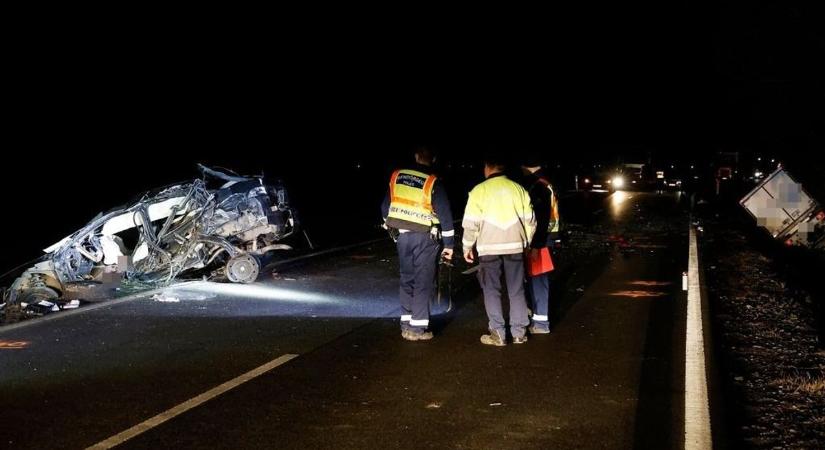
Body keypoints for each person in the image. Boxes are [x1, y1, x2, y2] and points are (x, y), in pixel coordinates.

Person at [381, 146, 455, 341]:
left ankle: (406, 323)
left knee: (407, 278)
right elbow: (446, 215)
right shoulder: (432, 182)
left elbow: (385, 207)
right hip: (425, 237)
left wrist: (393, 231)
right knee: (423, 281)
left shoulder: (397, 176)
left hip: (403, 236)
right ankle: (417, 328)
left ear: (415, 156)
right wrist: (449, 245)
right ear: (434, 159)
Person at [462, 154, 536, 346]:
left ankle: (498, 333)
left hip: (489, 247)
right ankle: (519, 333)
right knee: (516, 289)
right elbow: (530, 221)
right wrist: (526, 243)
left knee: (491, 290)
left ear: (487, 167)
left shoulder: (478, 191)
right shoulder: (518, 189)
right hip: (514, 246)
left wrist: (467, 246)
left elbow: (471, 224)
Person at [521, 156, 561, 334]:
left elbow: (541, 218)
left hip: (541, 241)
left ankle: (541, 323)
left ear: (525, 167)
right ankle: (537, 318)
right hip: (547, 239)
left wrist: (535, 245)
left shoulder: (538, 186)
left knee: (538, 281)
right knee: (537, 280)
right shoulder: (546, 183)